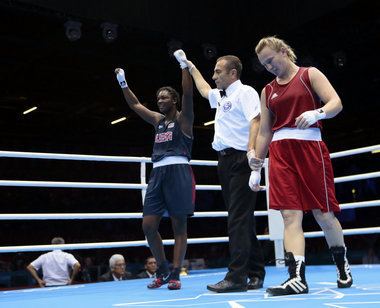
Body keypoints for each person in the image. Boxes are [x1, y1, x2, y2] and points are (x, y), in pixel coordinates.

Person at [251, 36, 353, 296]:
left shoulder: (310, 75)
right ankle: (296, 278)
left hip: (310, 150)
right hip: (281, 153)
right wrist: (256, 165)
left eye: (271, 60)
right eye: (264, 64)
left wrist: (318, 113)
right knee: (289, 216)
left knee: (324, 214)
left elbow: (336, 103)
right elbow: (264, 131)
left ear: (284, 51)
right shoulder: (267, 90)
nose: (269, 67)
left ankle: (342, 266)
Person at [175, 51, 265, 292]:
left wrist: (251, 153)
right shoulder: (222, 95)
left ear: (232, 73)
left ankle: (237, 278)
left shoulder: (245, 92)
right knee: (242, 218)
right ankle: (256, 272)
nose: (214, 76)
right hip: (225, 162)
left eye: (218, 71)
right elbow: (204, 90)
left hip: (241, 160)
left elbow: (256, 121)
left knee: (237, 219)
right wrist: (190, 65)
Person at [114, 50, 195, 290]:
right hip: (157, 174)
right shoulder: (158, 121)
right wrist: (123, 82)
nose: (160, 101)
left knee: (179, 226)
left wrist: (183, 65)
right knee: (149, 226)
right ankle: (161, 270)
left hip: (179, 172)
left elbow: (189, 93)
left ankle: (176, 273)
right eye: (158, 99)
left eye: (164, 98)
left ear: (174, 101)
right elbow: (135, 104)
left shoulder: (185, 120)